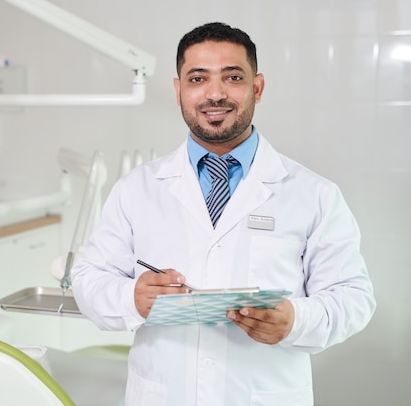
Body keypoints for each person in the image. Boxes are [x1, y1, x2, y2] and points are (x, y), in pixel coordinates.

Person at [71, 22, 376, 406]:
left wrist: (296, 320)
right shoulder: (136, 189)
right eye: (197, 78)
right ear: (178, 90)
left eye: (233, 77)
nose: (215, 93)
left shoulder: (314, 194)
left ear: (257, 87)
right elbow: (88, 279)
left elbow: (353, 297)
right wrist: (132, 297)